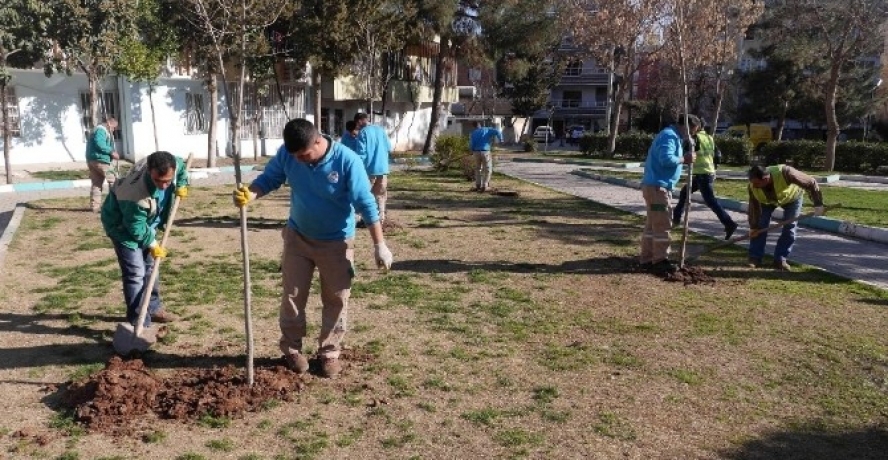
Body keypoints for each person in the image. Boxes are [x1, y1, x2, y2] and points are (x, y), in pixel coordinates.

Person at [233, 118, 393, 378]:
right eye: (294, 155)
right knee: (293, 296)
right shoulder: (289, 154)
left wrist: (379, 244)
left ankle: (329, 351)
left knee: (336, 298)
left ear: (318, 141)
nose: (298, 160)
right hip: (298, 237)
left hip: (336, 242)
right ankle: (292, 350)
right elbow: (270, 178)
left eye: (303, 154)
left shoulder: (347, 161)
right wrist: (250, 194)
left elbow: (366, 203)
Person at [101, 151, 188, 330]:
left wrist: (182, 183)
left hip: (145, 222)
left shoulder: (174, 164)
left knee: (150, 268)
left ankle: (154, 308)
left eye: (168, 181)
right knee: (135, 273)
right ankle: (138, 320)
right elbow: (135, 227)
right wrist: (153, 244)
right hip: (121, 226)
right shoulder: (134, 194)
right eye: (158, 181)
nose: (164, 186)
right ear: (149, 171)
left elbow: (181, 167)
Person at [639, 114, 700, 273]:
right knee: (663, 223)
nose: (692, 135)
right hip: (658, 189)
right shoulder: (669, 136)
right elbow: (666, 159)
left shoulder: (672, 136)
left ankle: (647, 258)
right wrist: (684, 159)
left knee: (652, 224)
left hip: (655, 187)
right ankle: (660, 260)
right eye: (692, 131)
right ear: (685, 127)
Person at [747, 164, 825, 271]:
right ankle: (755, 258)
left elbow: (811, 182)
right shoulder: (753, 186)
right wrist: (753, 226)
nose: (754, 185)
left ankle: (780, 259)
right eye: (753, 182)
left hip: (792, 198)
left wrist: (818, 203)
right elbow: (754, 207)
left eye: (757, 183)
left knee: (790, 227)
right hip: (766, 202)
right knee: (760, 227)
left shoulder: (786, 173)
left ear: (765, 179)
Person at [672, 127, 738, 239]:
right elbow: (717, 154)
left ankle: (729, 223)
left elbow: (685, 153)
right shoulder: (709, 137)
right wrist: (714, 167)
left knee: (711, 201)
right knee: (684, 192)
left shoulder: (695, 138)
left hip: (703, 175)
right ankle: (676, 216)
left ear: (696, 127)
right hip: (705, 173)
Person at [353, 113, 391, 223]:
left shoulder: (363, 133)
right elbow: (389, 147)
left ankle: (361, 218)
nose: (357, 127)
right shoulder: (380, 130)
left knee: (364, 193)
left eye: (357, 124)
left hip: (368, 169)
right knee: (380, 194)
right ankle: (381, 217)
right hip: (383, 168)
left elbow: (361, 154)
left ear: (360, 121)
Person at [86, 117, 120, 212]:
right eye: (113, 127)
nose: (113, 130)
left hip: (92, 160)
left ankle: (95, 207)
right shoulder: (101, 130)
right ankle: (114, 205)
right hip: (101, 160)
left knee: (96, 184)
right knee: (113, 181)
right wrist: (112, 152)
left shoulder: (97, 129)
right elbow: (100, 143)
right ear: (109, 123)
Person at [468, 121, 504, 192]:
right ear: (480, 124)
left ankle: (478, 185)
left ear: (474, 126)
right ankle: (485, 185)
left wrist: (471, 150)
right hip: (485, 152)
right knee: (487, 169)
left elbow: (471, 143)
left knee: (477, 169)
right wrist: (501, 139)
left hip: (476, 152)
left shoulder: (473, 133)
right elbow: (497, 131)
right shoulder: (487, 129)